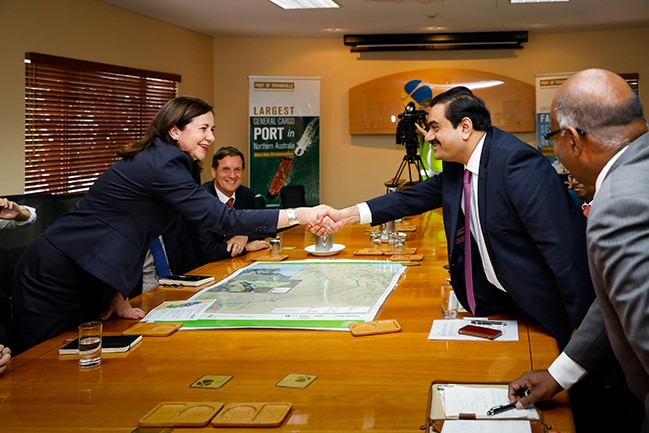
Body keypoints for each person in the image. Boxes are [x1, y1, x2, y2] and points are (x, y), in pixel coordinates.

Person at [11, 96, 338, 354]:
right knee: (36, 363)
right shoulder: (163, 162)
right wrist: (298, 214)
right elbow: (219, 218)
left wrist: (115, 294)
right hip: (58, 274)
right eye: (203, 129)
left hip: (88, 273)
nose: (211, 137)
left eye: (213, 129)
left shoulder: (167, 159)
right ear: (174, 131)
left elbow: (134, 229)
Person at [325, 86, 594, 350]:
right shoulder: (458, 167)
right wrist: (346, 215)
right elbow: (410, 198)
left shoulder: (516, 163)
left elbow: (563, 251)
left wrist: (582, 335)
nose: (428, 137)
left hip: (548, 313)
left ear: (465, 127)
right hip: (503, 306)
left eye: (434, 127)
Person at [508, 69, 649, 432]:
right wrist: (558, 375)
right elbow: (619, 301)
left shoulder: (618, 205)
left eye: (552, 136)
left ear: (572, 139)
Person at [163, 146, 270, 275]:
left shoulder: (246, 194)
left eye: (237, 170)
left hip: (233, 264)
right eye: (226, 170)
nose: (232, 175)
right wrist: (246, 247)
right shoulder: (200, 200)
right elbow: (208, 252)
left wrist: (243, 236)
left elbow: (260, 228)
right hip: (201, 271)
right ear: (214, 172)